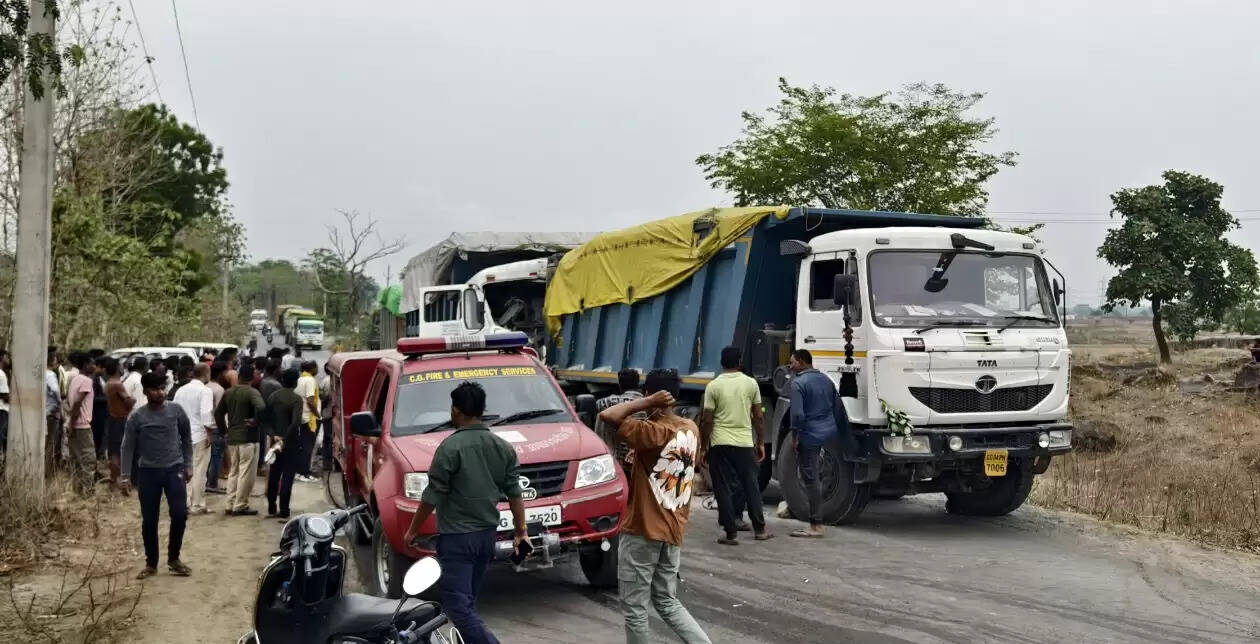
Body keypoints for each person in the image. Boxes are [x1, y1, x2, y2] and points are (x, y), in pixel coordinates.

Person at [402, 381, 526, 644]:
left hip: (458, 539)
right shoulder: (502, 447)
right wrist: (521, 532)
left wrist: (412, 530)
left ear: (456, 410)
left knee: (458, 607)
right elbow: (515, 492)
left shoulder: (450, 448)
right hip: (486, 538)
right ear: (481, 410)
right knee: (468, 603)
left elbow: (432, 495)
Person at [597, 368, 710, 644]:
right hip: (672, 530)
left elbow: (607, 416)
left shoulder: (653, 430)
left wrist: (647, 403)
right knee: (666, 601)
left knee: (635, 609)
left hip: (643, 530)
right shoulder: (689, 428)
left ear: (653, 395)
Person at [120, 372, 193, 579]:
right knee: (149, 520)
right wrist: (125, 476)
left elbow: (186, 438)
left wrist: (188, 464)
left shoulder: (176, 411)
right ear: (145, 391)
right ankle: (151, 563)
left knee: (180, 513)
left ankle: (174, 558)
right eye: (155, 389)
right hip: (148, 472)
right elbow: (127, 447)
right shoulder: (137, 417)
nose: (160, 393)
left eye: (163, 388)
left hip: (174, 469)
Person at [700, 346, 771, 545]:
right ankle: (760, 530)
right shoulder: (751, 384)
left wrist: (704, 447)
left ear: (721, 363)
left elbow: (707, 421)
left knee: (722, 487)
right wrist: (760, 443)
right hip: (744, 443)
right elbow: (758, 416)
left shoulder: (713, 386)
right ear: (739, 362)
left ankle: (730, 533)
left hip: (720, 444)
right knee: (751, 485)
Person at [787, 349, 838, 539]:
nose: (790, 366)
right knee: (817, 474)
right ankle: (816, 521)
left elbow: (798, 414)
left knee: (811, 478)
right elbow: (835, 405)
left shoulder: (798, 383)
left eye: (792, 362)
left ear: (801, 362)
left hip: (809, 434)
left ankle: (815, 525)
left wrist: (795, 436)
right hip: (827, 432)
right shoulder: (826, 380)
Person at [214, 362, 264, 516]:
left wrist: (224, 431)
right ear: (251, 377)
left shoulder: (228, 392)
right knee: (245, 473)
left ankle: (230, 503)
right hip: (247, 438)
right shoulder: (252, 392)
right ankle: (240, 504)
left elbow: (218, 413)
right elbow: (261, 407)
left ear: (240, 376)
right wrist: (256, 421)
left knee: (233, 472)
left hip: (232, 438)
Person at [174, 363, 214, 514]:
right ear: (206, 373)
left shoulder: (180, 390)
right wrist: (209, 432)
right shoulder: (205, 391)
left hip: (181, 435)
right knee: (199, 470)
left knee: (184, 469)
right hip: (199, 434)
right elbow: (206, 414)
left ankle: (183, 502)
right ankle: (197, 504)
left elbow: (175, 412)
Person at [265, 369, 304, 518]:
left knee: (274, 474)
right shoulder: (296, 399)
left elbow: (266, 420)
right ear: (295, 382)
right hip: (290, 442)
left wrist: (274, 436)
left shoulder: (273, 397)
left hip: (274, 442)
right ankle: (284, 509)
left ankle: (271, 506)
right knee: (287, 476)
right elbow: (295, 422)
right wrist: (285, 438)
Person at [594, 367, 644, 478]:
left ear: (620, 384)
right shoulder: (648, 405)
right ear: (638, 383)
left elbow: (597, 404)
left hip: (615, 458)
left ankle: (604, 453)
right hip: (638, 458)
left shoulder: (609, 402)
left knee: (602, 415)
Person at [66, 353, 98, 491]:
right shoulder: (86, 381)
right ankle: (88, 490)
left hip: (73, 423)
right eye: (92, 363)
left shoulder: (75, 379)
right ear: (85, 365)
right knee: (88, 458)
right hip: (82, 425)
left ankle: (77, 488)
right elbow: (78, 402)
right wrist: (72, 423)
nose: (94, 366)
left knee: (76, 458)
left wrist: (69, 423)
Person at [104, 357, 133, 491]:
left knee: (114, 451)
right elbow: (128, 401)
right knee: (119, 452)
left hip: (113, 419)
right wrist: (133, 399)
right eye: (121, 366)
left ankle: (114, 480)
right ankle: (119, 482)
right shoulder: (117, 384)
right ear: (116, 368)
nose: (123, 368)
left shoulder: (109, 382)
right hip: (120, 420)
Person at [204, 362, 229, 494]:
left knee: (207, 457)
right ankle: (212, 484)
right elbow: (220, 412)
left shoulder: (205, 387)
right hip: (216, 426)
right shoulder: (219, 390)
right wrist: (224, 430)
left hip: (205, 426)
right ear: (220, 374)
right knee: (216, 457)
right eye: (225, 373)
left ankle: (207, 482)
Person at [294, 361, 319, 483]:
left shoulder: (300, 379)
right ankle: (304, 473)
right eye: (316, 367)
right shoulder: (310, 380)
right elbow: (310, 400)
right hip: (309, 418)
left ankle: (299, 471)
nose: (317, 369)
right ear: (312, 368)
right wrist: (317, 413)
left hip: (301, 417)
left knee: (302, 446)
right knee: (308, 447)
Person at [44, 351, 64, 474]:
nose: (57, 362)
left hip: (45, 412)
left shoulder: (42, 374)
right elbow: (56, 391)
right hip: (52, 412)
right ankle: (48, 471)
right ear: (52, 361)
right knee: (51, 444)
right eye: (56, 359)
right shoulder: (51, 375)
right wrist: (60, 404)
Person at [89, 349, 108, 462]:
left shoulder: (101, 378)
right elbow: (93, 398)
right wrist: (107, 399)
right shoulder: (93, 379)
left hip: (102, 413)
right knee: (97, 438)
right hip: (96, 413)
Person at [0, 350, 9, 466]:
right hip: (2, 411)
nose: (9, 359)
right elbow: (5, 395)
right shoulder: (1, 374)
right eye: (7, 356)